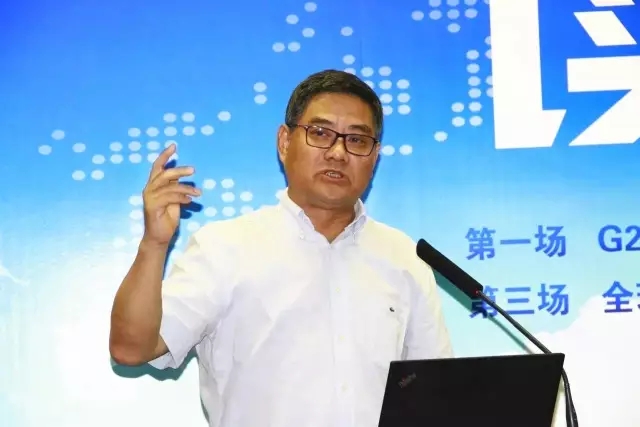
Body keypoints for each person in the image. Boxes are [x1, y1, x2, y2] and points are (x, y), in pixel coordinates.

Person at [109, 69, 453, 427]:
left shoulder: (404, 256)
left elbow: (437, 393)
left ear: (375, 155)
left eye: (357, 140)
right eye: (320, 133)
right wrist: (154, 244)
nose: (338, 153)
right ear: (285, 142)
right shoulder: (224, 247)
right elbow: (131, 348)